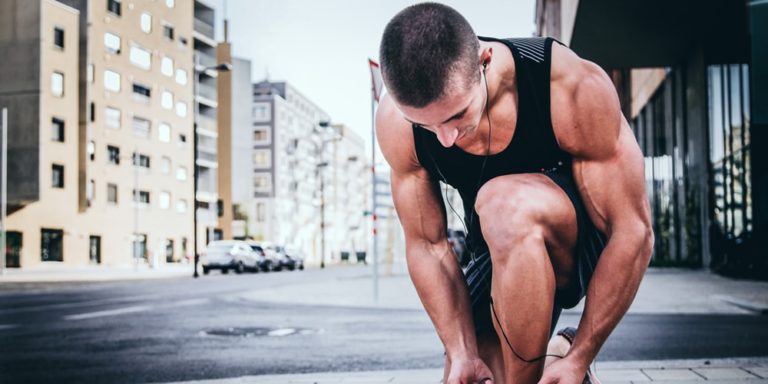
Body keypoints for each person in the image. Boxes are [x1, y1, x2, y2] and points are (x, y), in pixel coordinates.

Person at [375, 3, 654, 383]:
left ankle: (565, 356)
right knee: (479, 375)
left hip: (579, 245)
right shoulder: (395, 124)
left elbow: (633, 232)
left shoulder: (566, 84)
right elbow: (427, 244)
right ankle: (554, 350)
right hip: (496, 251)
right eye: (424, 124)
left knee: (503, 202)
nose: (445, 138)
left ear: (485, 60)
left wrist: (582, 355)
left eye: (457, 115)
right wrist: (461, 351)